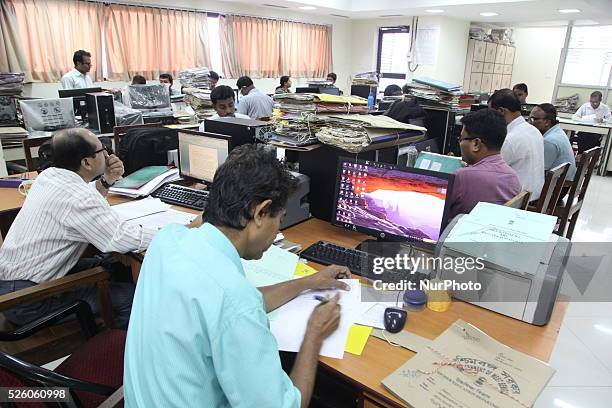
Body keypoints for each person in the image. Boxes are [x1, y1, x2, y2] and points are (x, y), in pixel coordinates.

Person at [124, 144, 350, 407]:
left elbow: (232, 306)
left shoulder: (168, 239)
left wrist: (308, 282)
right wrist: (314, 334)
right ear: (260, 212)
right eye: (280, 218)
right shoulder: (233, 301)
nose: (278, 230)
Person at [0, 128, 155, 328]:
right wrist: (181, 230)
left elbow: (81, 200)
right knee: (133, 299)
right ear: (87, 162)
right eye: (103, 150)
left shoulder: (49, 176)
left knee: (112, 264)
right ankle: (116, 350)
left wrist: (106, 180)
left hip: (14, 281)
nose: (108, 155)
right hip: (27, 300)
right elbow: (120, 238)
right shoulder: (78, 198)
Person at [448, 109, 521, 219]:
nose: (460, 143)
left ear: (476, 144)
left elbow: (439, 211)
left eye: (461, 138)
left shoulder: (462, 176)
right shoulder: (513, 176)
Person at [488, 89, 544, 201]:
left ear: (501, 111)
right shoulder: (533, 130)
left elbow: (489, 171)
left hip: (517, 200)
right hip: (534, 194)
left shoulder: (510, 139)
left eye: (491, 112)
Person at [530, 103, 577, 198]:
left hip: (556, 190)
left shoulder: (549, 141)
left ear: (547, 122)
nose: (530, 123)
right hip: (561, 185)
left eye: (535, 119)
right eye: (530, 118)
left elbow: (539, 173)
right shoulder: (558, 131)